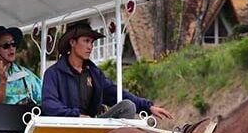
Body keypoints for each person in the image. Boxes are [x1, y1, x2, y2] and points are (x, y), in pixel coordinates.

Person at [42, 20, 173, 120]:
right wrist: (75, 116)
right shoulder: (53, 73)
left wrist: (148, 107)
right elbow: (49, 105)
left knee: (127, 106)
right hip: (63, 128)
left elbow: (115, 93)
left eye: (92, 42)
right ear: (72, 43)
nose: (90, 47)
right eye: (86, 41)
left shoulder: (94, 73)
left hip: (92, 126)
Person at [0, 26, 42, 105]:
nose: (11, 48)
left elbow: (44, 97)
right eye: (6, 46)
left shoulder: (25, 73)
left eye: (13, 44)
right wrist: (2, 81)